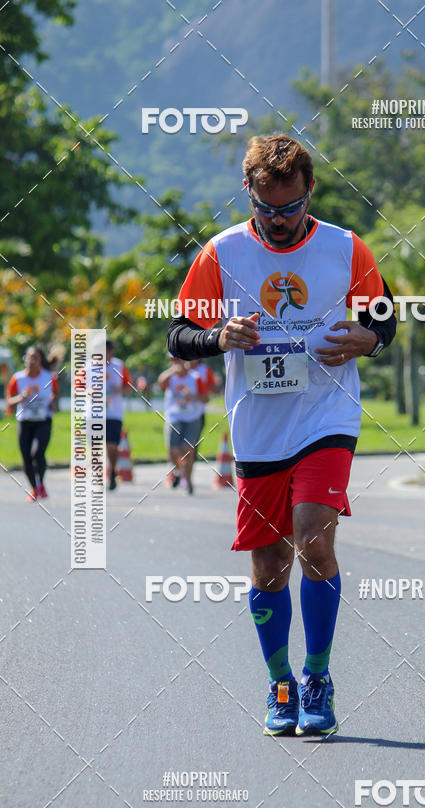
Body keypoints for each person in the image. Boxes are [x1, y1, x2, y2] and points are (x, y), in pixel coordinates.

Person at [167, 134, 396, 737]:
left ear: (310, 191)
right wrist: (218, 337)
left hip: (327, 415)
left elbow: (384, 320)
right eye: (266, 208)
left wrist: (369, 340)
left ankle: (317, 676)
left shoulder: (346, 248)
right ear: (248, 193)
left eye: (290, 208)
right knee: (270, 563)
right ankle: (281, 683)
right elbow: (178, 336)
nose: (278, 220)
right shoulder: (222, 252)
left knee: (313, 538)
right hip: (258, 428)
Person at [5, 346, 58, 501]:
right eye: (29, 357)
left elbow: (55, 401)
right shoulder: (18, 378)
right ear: (25, 359)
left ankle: (40, 483)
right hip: (25, 421)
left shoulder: (49, 377)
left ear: (40, 360)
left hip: (43, 421)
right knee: (26, 456)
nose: (31, 361)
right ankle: (34, 488)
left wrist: (53, 402)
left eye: (35, 358)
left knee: (38, 453)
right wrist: (21, 397)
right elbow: (9, 401)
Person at [158, 356, 209, 494]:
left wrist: (192, 395)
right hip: (174, 417)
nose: (177, 363)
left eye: (179, 360)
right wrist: (172, 371)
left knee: (188, 451)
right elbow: (160, 382)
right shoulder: (170, 377)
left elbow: (206, 398)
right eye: (173, 360)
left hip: (192, 417)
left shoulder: (195, 378)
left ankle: (188, 481)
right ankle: (178, 471)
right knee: (172, 450)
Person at [105, 339, 133, 490]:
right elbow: (78, 387)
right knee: (94, 445)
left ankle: (112, 472)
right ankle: (96, 475)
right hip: (93, 413)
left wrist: (119, 390)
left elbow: (129, 387)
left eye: (108, 350)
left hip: (113, 413)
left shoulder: (119, 366)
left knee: (112, 446)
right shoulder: (88, 366)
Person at [186, 357, 219, 460]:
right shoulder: (180, 370)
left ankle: (189, 463)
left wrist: (203, 387)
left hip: (198, 412)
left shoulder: (204, 371)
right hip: (179, 412)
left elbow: (214, 389)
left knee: (192, 442)